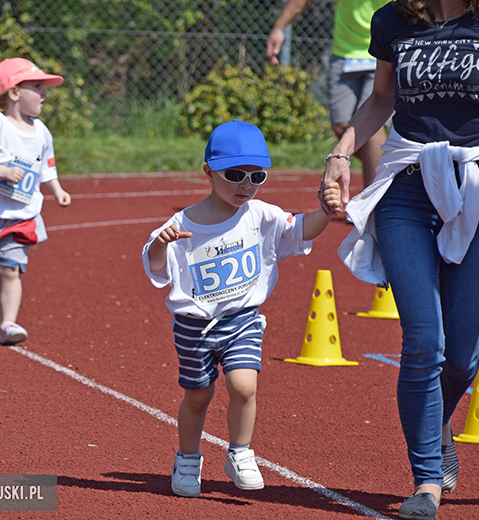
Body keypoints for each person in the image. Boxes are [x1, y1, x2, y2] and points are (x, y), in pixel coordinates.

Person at [318, 1, 479, 518]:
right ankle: (426, 480)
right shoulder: (392, 19)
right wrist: (340, 153)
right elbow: (382, 98)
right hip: (407, 186)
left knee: (462, 358)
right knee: (424, 341)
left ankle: (437, 423)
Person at [142, 119, 339, 498]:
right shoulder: (180, 224)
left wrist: (326, 212)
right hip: (193, 326)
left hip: (243, 320)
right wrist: (160, 244)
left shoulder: (261, 215)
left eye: (256, 176)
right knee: (198, 395)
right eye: (234, 175)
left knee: (244, 385)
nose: (246, 185)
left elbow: (300, 230)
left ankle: (240, 453)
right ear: (208, 172)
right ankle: (187, 458)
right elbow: (157, 269)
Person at [0, 57, 72, 345]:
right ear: (15, 93)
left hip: (21, 216)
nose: (44, 93)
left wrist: (57, 189)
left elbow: (47, 165)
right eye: (38, 87)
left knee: (10, 269)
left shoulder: (41, 131)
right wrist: (3, 171)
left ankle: (8, 324)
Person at [267, 0, 389, 189]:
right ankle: (388, 165)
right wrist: (279, 27)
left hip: (382, 51)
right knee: (342, 126)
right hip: (344, 52)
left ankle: (373, 199)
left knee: (373, 125)